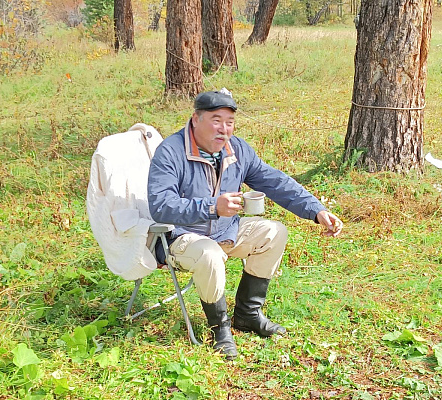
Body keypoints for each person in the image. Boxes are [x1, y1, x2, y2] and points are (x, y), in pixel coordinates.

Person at [147, 89, 343, 359]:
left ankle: (248, 314)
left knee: (274, 233)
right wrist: (212, 207)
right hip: (180, 237)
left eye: (229, 122)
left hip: (225, 231)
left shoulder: (236, 150)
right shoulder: (171, 152)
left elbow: (274, 181)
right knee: (209, 253)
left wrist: (316, 210)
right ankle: (219, 328)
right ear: (196, 119)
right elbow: (160, 205)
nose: (224, 129)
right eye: (216, 120)